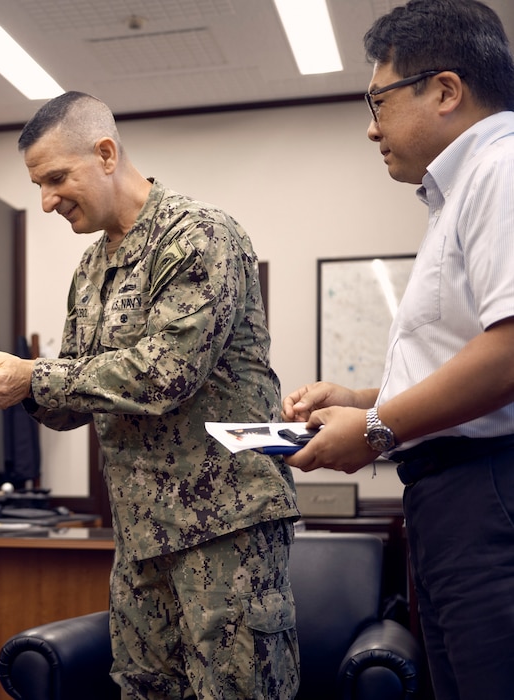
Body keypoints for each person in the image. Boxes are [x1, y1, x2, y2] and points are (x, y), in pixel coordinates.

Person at [0, 91, 300, 699]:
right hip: (141, 533)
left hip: (225, 527)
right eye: (38, 185)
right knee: (144, 691)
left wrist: (34, 377)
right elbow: (76, 393)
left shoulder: (198, 235)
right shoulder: (91, 270)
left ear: (107, 153)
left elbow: (165, 373)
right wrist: (7, 384)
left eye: (57, 178)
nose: (46, 201)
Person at [281, 2, 514, 698]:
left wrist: (377, 429)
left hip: (488, 492)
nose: (370, 125)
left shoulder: (501, 169)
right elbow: (466, 352)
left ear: (443, 90)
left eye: (378, 99)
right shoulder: (460, 191)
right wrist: (355, 401)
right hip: (453, 497)